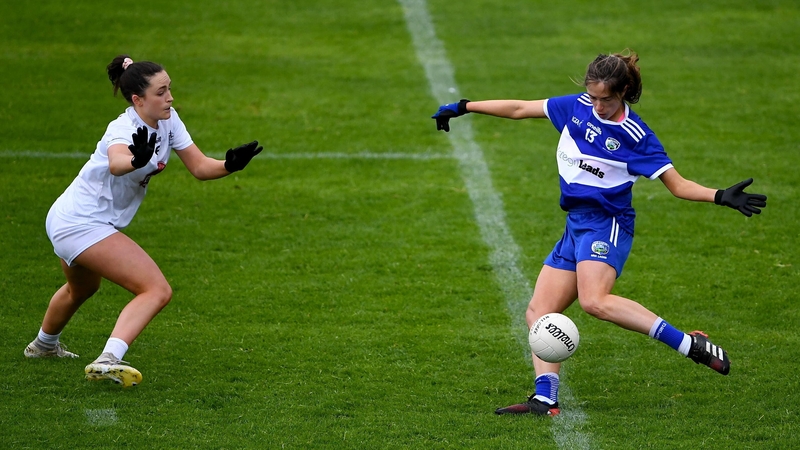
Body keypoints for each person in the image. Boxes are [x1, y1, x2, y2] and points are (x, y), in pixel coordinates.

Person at [431, 50, 767, 415]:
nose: (598, 106)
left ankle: (691, 345)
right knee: (539, 312)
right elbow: (519, 108)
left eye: (606, 99)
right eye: (593, 97)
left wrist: (720, 196)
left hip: (607, 224)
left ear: (623, 91)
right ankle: (546, 397)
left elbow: (678, 185)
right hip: (576, 224)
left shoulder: (634, 136)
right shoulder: (576, 107)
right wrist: (465, 106)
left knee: (594, 301)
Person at [24, 55, 262, 387]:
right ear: (138, 100)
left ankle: (43, 347)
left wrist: (228, 166)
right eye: (162, 92)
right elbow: (117, 162)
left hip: (72, 218)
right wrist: (137, 159)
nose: (170, 98)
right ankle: (108, 360)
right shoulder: (121, 129)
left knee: (83, 287)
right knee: (156, 289)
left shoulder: (168, 119)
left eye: (169, 89)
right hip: (81, 222)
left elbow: (199, 167)